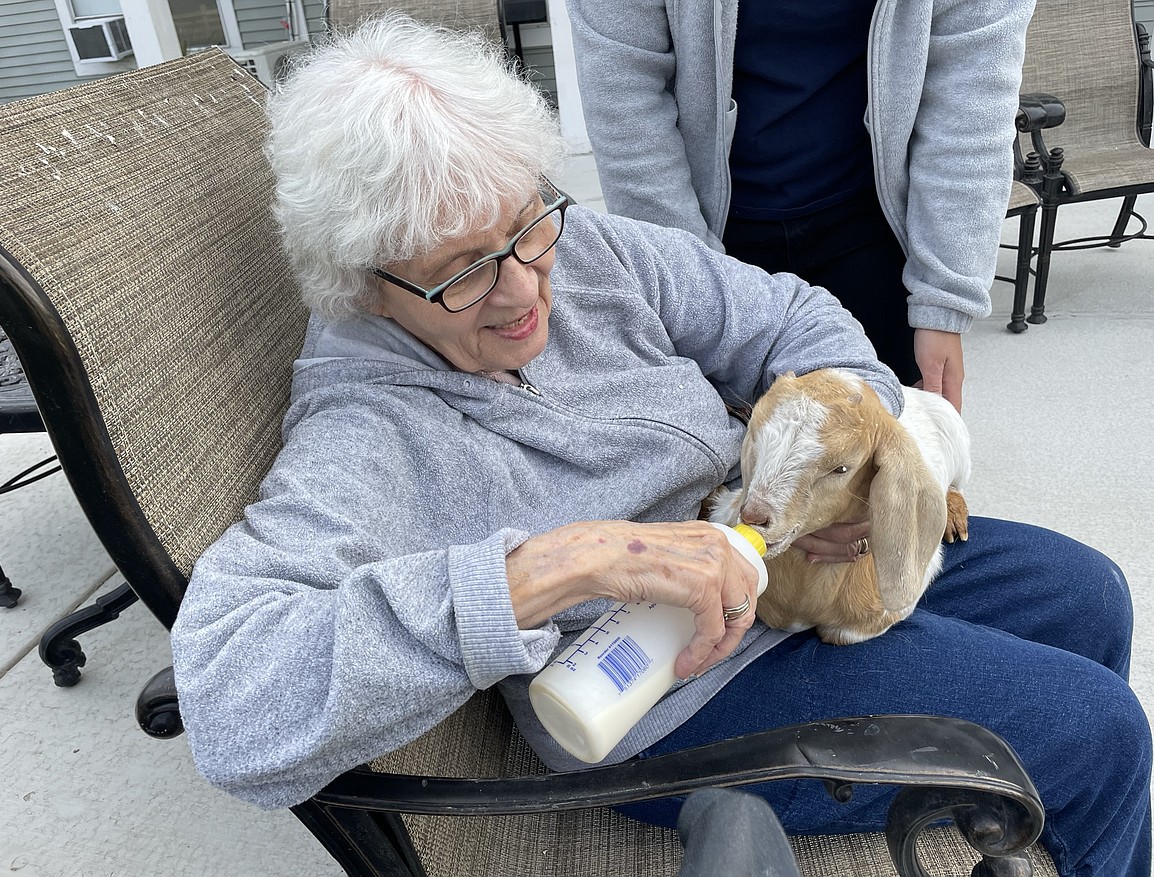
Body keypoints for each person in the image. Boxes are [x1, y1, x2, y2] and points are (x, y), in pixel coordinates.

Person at [169, 15, 1151, 877]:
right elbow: (229, 704)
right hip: (680, 698)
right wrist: (560, 562)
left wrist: (818, 465)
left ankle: (1012, 830)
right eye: (460, 271)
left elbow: (790, 314)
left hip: (777, 565)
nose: (524, 291)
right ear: (365, 282)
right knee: (1099, 733)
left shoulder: (581, 246)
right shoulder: (369, 428)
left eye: (523, 230)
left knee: (1087, 593)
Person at [563, 0, 1036, 411]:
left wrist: (944, 302)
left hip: (878, 235)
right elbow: (625, 99)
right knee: (732, 474)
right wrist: (693, 286)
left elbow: (970, 104)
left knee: (880, 476)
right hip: (707, 236)